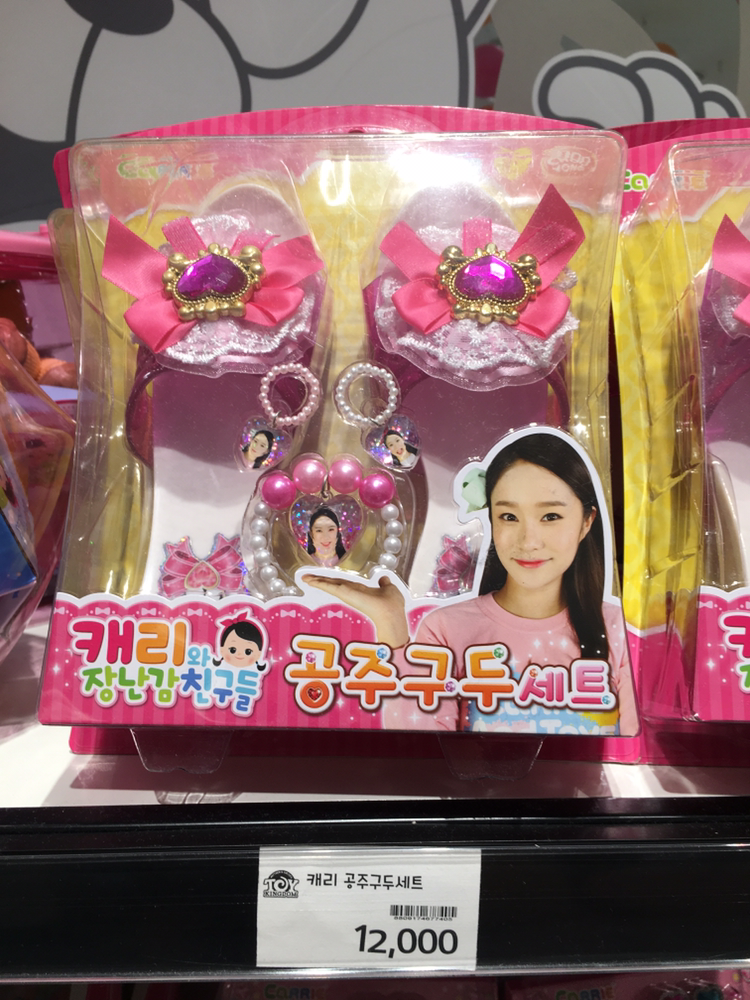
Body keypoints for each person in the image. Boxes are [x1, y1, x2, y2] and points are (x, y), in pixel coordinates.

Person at [306, 431, 637, 735]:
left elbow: (632, 758)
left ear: (587, 521)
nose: (529, 540)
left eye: (551, 516)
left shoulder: (620, 631)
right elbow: (423, 751)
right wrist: (391, 625)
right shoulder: (447, 629)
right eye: (509, 516)